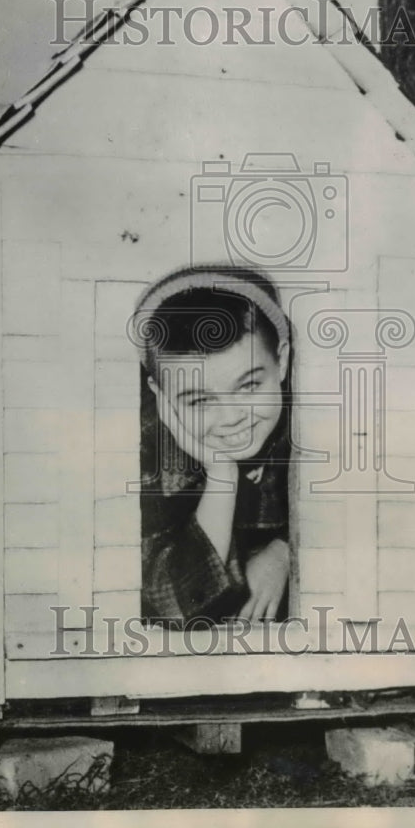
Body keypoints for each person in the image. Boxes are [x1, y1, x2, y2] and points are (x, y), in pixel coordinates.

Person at [133, 265, 292, 629]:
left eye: (249, 386)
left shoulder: (309, 428)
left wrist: (287, 550)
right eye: (200, 401)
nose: (232, 417)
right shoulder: (148, 453)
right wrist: (221, 474)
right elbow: (173, 608)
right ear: (161, 398)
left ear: (281, 361)